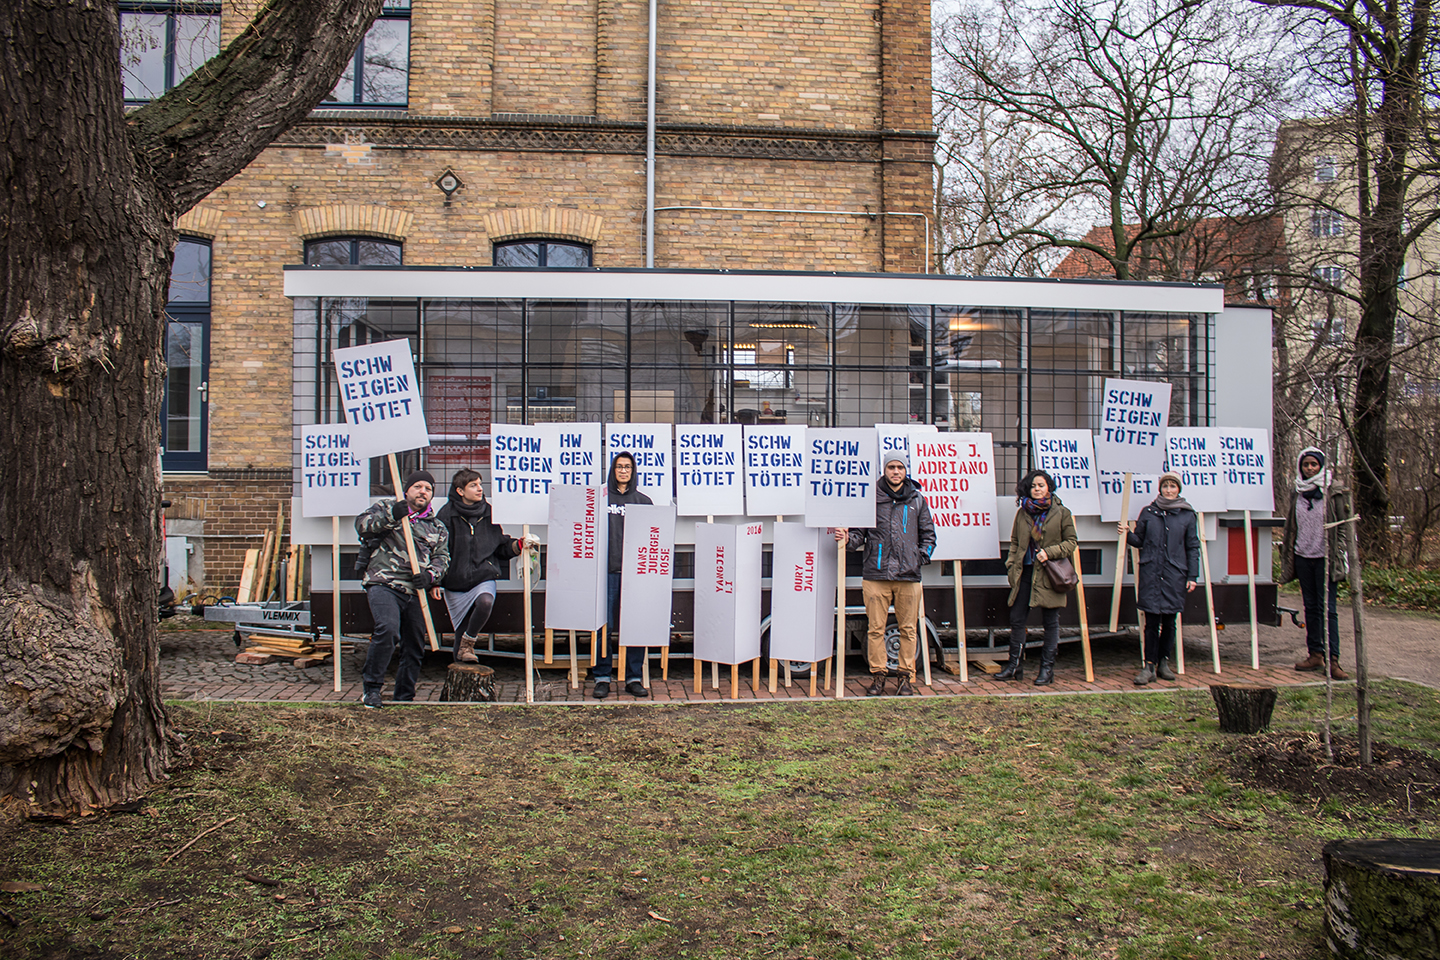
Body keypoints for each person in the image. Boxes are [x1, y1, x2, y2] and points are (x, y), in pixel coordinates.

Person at [834, 450, 936, 697]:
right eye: (891, 467)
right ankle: (878, 676)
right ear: (884, 470)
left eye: (899, 467)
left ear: (905, 470)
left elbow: (929, 536)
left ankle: (905, 678)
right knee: (875, 629)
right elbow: (859, 533)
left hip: (908, 576)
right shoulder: (871, 499)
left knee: (908, 629)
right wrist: (847, 538)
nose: (895, 472)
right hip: (875, 576)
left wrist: (918, 558)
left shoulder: (917, 500)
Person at [354, 470, 450, 709]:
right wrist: (392, 516)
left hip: (415, 591)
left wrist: (430, 576)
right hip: (384, 583)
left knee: (415, 644)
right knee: (387, 630)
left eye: (428, 488)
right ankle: (372, 690)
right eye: (418, 486)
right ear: (407, 490)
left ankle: (404, 696)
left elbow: (442, 558)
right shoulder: (388, 507)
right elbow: (362, 526)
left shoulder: (437, 527)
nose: (423, 491)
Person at [432, 468, 535, 663]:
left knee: (485, 602)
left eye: (480, 484)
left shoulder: (488, 512)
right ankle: (460, 677)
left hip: (483, 576)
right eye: (473, 485)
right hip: (455, 581)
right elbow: (437, 551)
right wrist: (435, 581)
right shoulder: (446, 515)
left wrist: (518, 545)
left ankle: (469, 642)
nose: (480, 489)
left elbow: (498, 546)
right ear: (460, 491)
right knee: (460, 631)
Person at [1120, 471, 1200, 685]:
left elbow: (1193, 546)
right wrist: (1126, 533)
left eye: (1173, 486)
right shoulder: (1149, 512)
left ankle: (1164, 662)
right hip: (1152, 574)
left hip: (1174, 574)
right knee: (1151, 622)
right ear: (1160, 488)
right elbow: (1139, 541)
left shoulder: (1187, 515)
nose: (1169, 490)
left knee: (1170, 621)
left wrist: (1192, 575)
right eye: (1165, 486)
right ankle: (1148, 666)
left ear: (1178, 489)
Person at [1001, 469, 1078, 686]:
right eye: (1033, 486)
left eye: (1041, 485)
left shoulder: (1062, 513)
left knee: (1050, 622)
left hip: (1048, 575)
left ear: (1049, 488)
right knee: (1017, 620)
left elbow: (1071, 542)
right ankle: (1014, 666)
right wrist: (1011, 565)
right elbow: (1015, 542)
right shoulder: (1022, 513)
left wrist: (1049, 553)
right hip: (1024, 573)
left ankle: (1047, 670)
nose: (1037, 489)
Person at [1279, 447, 1350, 680]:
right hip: (1303, 556)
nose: (1310, 468)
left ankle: (1334, 660)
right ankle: (1315, 654)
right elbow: (1291, 525)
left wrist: (1339, 552)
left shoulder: (1333, 491)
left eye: (1314, 464)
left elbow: (1343, 526)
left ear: (1321, 466)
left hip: (1325, 558)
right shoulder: (1297, 492)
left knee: (1328, 609)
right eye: (1306, 464)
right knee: (1310, 608)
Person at [595, 451, 653, 700]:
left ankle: (633, 678)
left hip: (634, 575)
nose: (623, 471)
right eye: (619, 467)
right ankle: (602, 677)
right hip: (605, 573)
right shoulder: (600, 500)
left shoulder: (643, 501)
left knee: (634, 627)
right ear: (612, 470)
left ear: (633, 471)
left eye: (627, 467)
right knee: (603, 628)